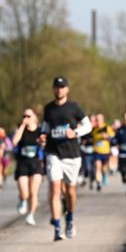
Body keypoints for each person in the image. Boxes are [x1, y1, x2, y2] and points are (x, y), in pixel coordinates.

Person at [39, 76, 91, 241]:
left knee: (70, 191)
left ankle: (70, 218)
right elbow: (45, 127)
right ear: (53, 89)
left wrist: (75, 132)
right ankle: (57, 228)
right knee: (55, 188)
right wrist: (43, 136)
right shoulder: (48, 109)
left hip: (72, 155)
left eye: (62, 87)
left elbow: (88, 126)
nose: (59, 90)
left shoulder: (74, 107)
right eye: (56, 87)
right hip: (53, 153)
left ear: (67, 89)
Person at [12, 107, 45, 225]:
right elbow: (14, 141)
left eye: (28, 116)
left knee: (33, 192)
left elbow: (44, 143)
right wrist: (22, 126)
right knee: (25, 193)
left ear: (34, 117)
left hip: (36, 163)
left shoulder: (40, 130)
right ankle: (22, 199)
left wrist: (42, 142)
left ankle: (31, 215)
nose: (26, 118)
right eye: (24, 116)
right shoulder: (21, 129)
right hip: (22, 163)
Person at [92, 114, 114, 190]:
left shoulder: (107, 128)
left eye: (99, 120)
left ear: (103, 120)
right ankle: (98, 183)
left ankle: (104, 175)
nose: (98, 121)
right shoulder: (94, 129)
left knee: (103, 168)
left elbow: (113, 137)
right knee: (97, 166)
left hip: (105, 152)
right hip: (97, 151)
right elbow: (91, 138)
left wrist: (107, 137)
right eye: (97, 120)